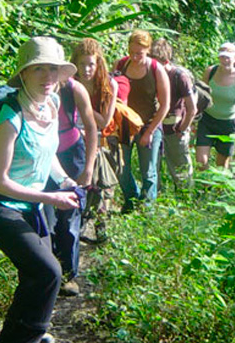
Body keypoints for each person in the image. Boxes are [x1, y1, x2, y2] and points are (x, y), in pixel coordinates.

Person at [0, 36, 80, 343]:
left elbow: (48, 158)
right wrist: (50, 199)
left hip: (32, 205)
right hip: (0, 207)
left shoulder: (52, 103)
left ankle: (33, 333)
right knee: (47, 271)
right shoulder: (9, 118)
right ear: (24, 74)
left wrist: (65, 181)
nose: (47, 76)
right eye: (39, 69)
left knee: (40, 275)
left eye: (53, 68)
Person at [44, 70, 97, 297]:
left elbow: (91, 127)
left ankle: (69, 275)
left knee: (69, 220)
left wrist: (89, 167)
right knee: (46, 220)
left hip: (72, 153)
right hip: (44, 156)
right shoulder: (31, 93)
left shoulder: (74, 89)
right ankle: (50, 272)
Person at [113, 29, 170, 212]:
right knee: (122, 168)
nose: (135, 57)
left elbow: (165, 104)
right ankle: (131, 200)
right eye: (132, 52)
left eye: (140, 53)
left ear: (148, 50)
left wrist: (150, 131)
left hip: (149, 123)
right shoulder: (121, 65)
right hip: (124, 125)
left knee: (149, 171)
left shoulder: (156, 69)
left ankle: (147, 208)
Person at [71, 37, 119, 242]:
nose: (86, 69)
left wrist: (83, 104)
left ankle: (101, 229)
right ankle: (77, 225)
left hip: (99, 140)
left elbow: (104, 121)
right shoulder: (68, 82)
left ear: (98, 63)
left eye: (91, 64)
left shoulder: (108, 85)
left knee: (102, 186)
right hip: (72, 138)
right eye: (82, 64)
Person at [196, 42, 235, 170]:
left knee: (221, 166)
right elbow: (201, 97)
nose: (225, 60)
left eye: (228, 57)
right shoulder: (210, 72)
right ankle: (205, 189)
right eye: (222, 57)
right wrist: (194, 118)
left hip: (229, 124)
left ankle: (218, 190)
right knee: (201, 161)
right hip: (207, 121)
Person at [150, 38, 197, 189]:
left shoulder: (179, 76)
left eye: (158, 63)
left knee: (180, 169)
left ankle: (186, 198)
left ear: (166, 61)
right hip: (156, 127)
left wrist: (182, 129)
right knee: (153, 167)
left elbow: (192, 108)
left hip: (175, 128)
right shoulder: (150, 73)